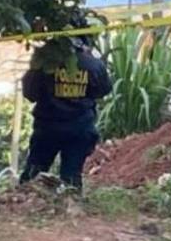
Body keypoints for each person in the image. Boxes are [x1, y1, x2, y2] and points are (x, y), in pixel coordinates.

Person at [20, 30, 112, 190]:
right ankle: (70, 203)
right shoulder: (93, 64)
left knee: (33, 174)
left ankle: (23, 201)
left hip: (47, 128)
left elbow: (30, 93)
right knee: (71, 178)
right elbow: (103, 91)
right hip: (80, 129)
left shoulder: (44, 63)